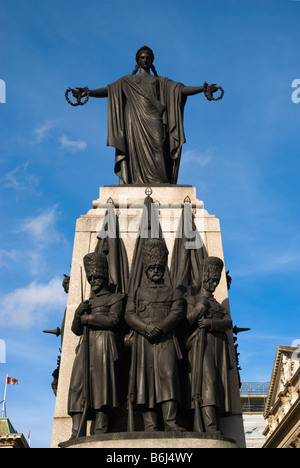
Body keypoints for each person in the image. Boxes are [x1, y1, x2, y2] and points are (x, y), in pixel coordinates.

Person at [75, 46, 219, 184]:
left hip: (154, 118)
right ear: (138, 60)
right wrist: (89, 92)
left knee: (159, 144)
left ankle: (160, 181)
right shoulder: (127, 81)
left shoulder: (160, 81)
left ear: (151, 60)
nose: (145, 60)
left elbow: (179, 90)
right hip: (134, 120)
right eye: (142, 57)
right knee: (134, 153)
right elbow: (109, 91)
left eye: (148, 57)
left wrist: (202, 88)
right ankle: (136, 181)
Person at [125, 239, 185, 432]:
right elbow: (129, 314)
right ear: (146, 270)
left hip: (166, 340)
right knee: (146, 381)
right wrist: (145, 327)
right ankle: (150, 425)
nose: (156, 271)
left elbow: (177, 313)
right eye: (152, 268)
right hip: (144, 342)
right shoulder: (137, 292)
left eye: (159, 267)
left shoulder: (174, 292)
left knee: (168, 377)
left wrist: (159, 328)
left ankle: (170, 422)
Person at [67, 252, 125, 438]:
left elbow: (114, 320)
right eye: (91, 278)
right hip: (86, 346)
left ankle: (101, 429)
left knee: (103, 387)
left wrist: (89, 318)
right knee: (77, 386)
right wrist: (78, 314)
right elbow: (76, 330)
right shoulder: (86, 303)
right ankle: (76, 432)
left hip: (104, 344)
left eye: (97, 277)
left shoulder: (116, 298)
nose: (94, 281)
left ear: (104, 277)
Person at [185, 256, 233, 434]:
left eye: (216, 281)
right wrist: (201, 306)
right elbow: (186, 321)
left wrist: (211, 324)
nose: (213, 284)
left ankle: (213, 424)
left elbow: (228, 322)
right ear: (203, 278)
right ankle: (209, 426)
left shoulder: (219, 305)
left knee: (217, 384)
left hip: (218, 346)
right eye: (210, 280)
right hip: (200, 345)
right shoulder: (192, 300)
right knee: (208, 383)